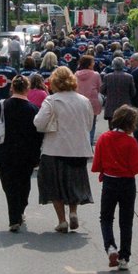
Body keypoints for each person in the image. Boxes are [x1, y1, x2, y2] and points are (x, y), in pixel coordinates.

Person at [92, 105, 138, 270]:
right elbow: (136, 167)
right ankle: (124, 258)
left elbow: (97, 165)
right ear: (131, 124)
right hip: (127, 184)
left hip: (110, 182)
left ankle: (110, 247)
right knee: (126, 221)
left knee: (106, 218)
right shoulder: (131, 142)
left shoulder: (103, 138)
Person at [33, 65, 94, 232]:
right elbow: (89, 125)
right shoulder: (84, 101)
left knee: (54, 185)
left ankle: (62, 220)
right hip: (79, 149)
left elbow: (39, 123)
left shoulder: (51, 100)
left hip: (55, 149)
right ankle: (73, 212)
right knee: (74, 182)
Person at [0, 75, 43, 232]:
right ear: (27, 89)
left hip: (4, 153)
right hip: (26, 154)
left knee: (9, 186)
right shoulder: (34, 109)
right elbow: (38, 134)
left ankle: (14, 217)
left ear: (11, 88)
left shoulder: (1, 106)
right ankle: (20, 210)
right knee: (24, 184)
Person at [75, 53, 103, 145]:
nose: (94, 63)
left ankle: (81, 144)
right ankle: (89, 144)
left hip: (78, 102)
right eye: (93, 62)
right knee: (92, 124)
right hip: (92, 102)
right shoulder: (96, 75)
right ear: (89, 64)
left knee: (80, 123)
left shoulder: (76, 75)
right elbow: (100, 88)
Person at [100, 55, 135, 126]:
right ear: (123, 65)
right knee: (124, 128)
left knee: (112, 128)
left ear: (113, 65)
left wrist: (109, 93)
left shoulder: (107, 77)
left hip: (111, 106)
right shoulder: (129, 77)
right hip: (125, 107)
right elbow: (133, 92)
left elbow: (102, 91)